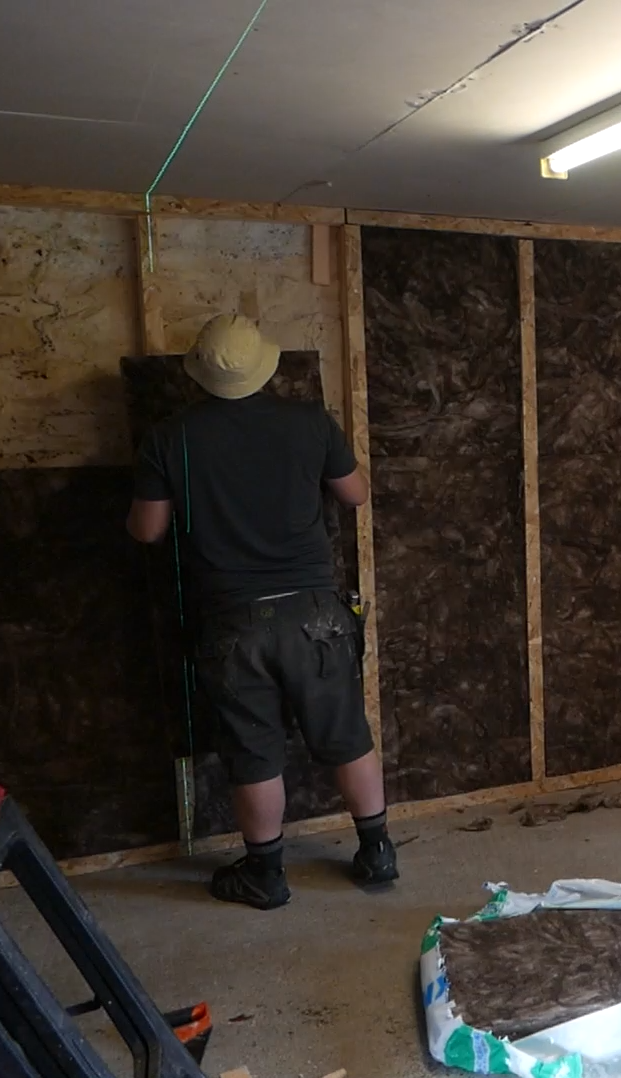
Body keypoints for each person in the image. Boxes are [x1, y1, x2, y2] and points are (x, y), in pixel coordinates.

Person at [126, 313, 396, 909]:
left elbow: (148, 531)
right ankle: (377, 852)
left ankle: (265, 875)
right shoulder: (308, 422)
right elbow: (356, 494)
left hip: (232, 622)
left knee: (254, 751)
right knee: (347, 734)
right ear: (264, 365)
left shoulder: (170, 436)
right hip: (315, 614)